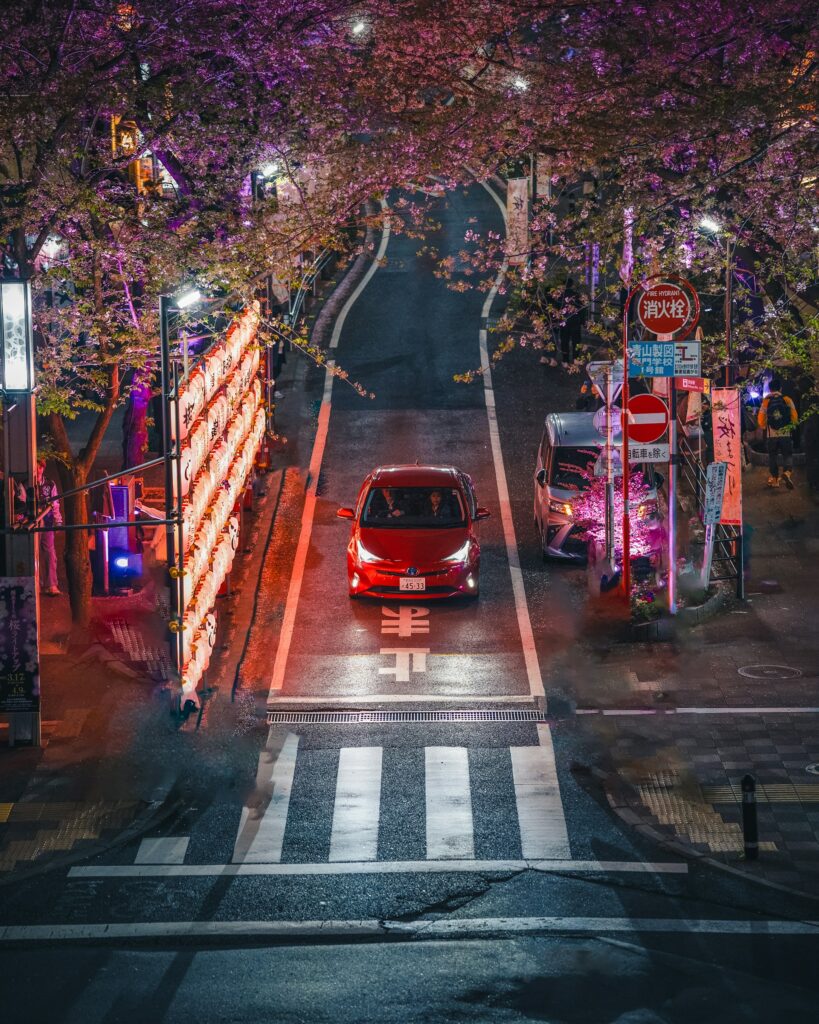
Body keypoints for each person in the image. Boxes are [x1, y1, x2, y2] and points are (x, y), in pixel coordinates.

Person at [757, 377, 798, 489]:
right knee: (787, 454)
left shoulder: (767, 401)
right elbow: (794, 416)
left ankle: (775, 480)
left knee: (772, 456)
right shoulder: (787, 399)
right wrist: (792, 426)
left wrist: (764, 426)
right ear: (780, 388)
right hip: (785, 434)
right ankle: (787, 473)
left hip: (772, 435)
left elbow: (761, 418)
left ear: (770, 389)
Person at [35, 459, 62, 595]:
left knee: (50, 553)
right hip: (33, 523)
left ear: (43, 468)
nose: (38, 470)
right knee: (33, 553)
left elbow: (55, 503)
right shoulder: (26, 484)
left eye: (40, 467)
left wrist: (58, 521)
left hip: (47, 521)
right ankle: (36, 584)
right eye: (36, 467)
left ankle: (51, 584)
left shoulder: (50, 484)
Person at [558, 277, 586, 366]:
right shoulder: (576, 295)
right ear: (572, 285)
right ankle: (575, 358)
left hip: (564, 321)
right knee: (576, 341)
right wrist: (583, 321)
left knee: (564, 341)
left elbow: (556, 309)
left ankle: (565, 360)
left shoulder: (560, 296)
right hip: (575, 321)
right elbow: (582, 309)